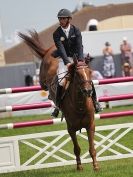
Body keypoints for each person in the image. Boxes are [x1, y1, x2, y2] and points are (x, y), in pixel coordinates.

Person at [51, 8, 102, 117]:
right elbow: (61, 49)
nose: (61, 20)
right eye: (60, 18)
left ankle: (95, 102)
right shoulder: (56, 33)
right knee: (61, 81)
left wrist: (80, 61)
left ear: (69, 19)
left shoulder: (76, 30)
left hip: (78, 57)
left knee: (85, 77)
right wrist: (67, 62)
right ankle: (58, 106)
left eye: (63, 18)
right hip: (64, 59)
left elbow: (79, 46)